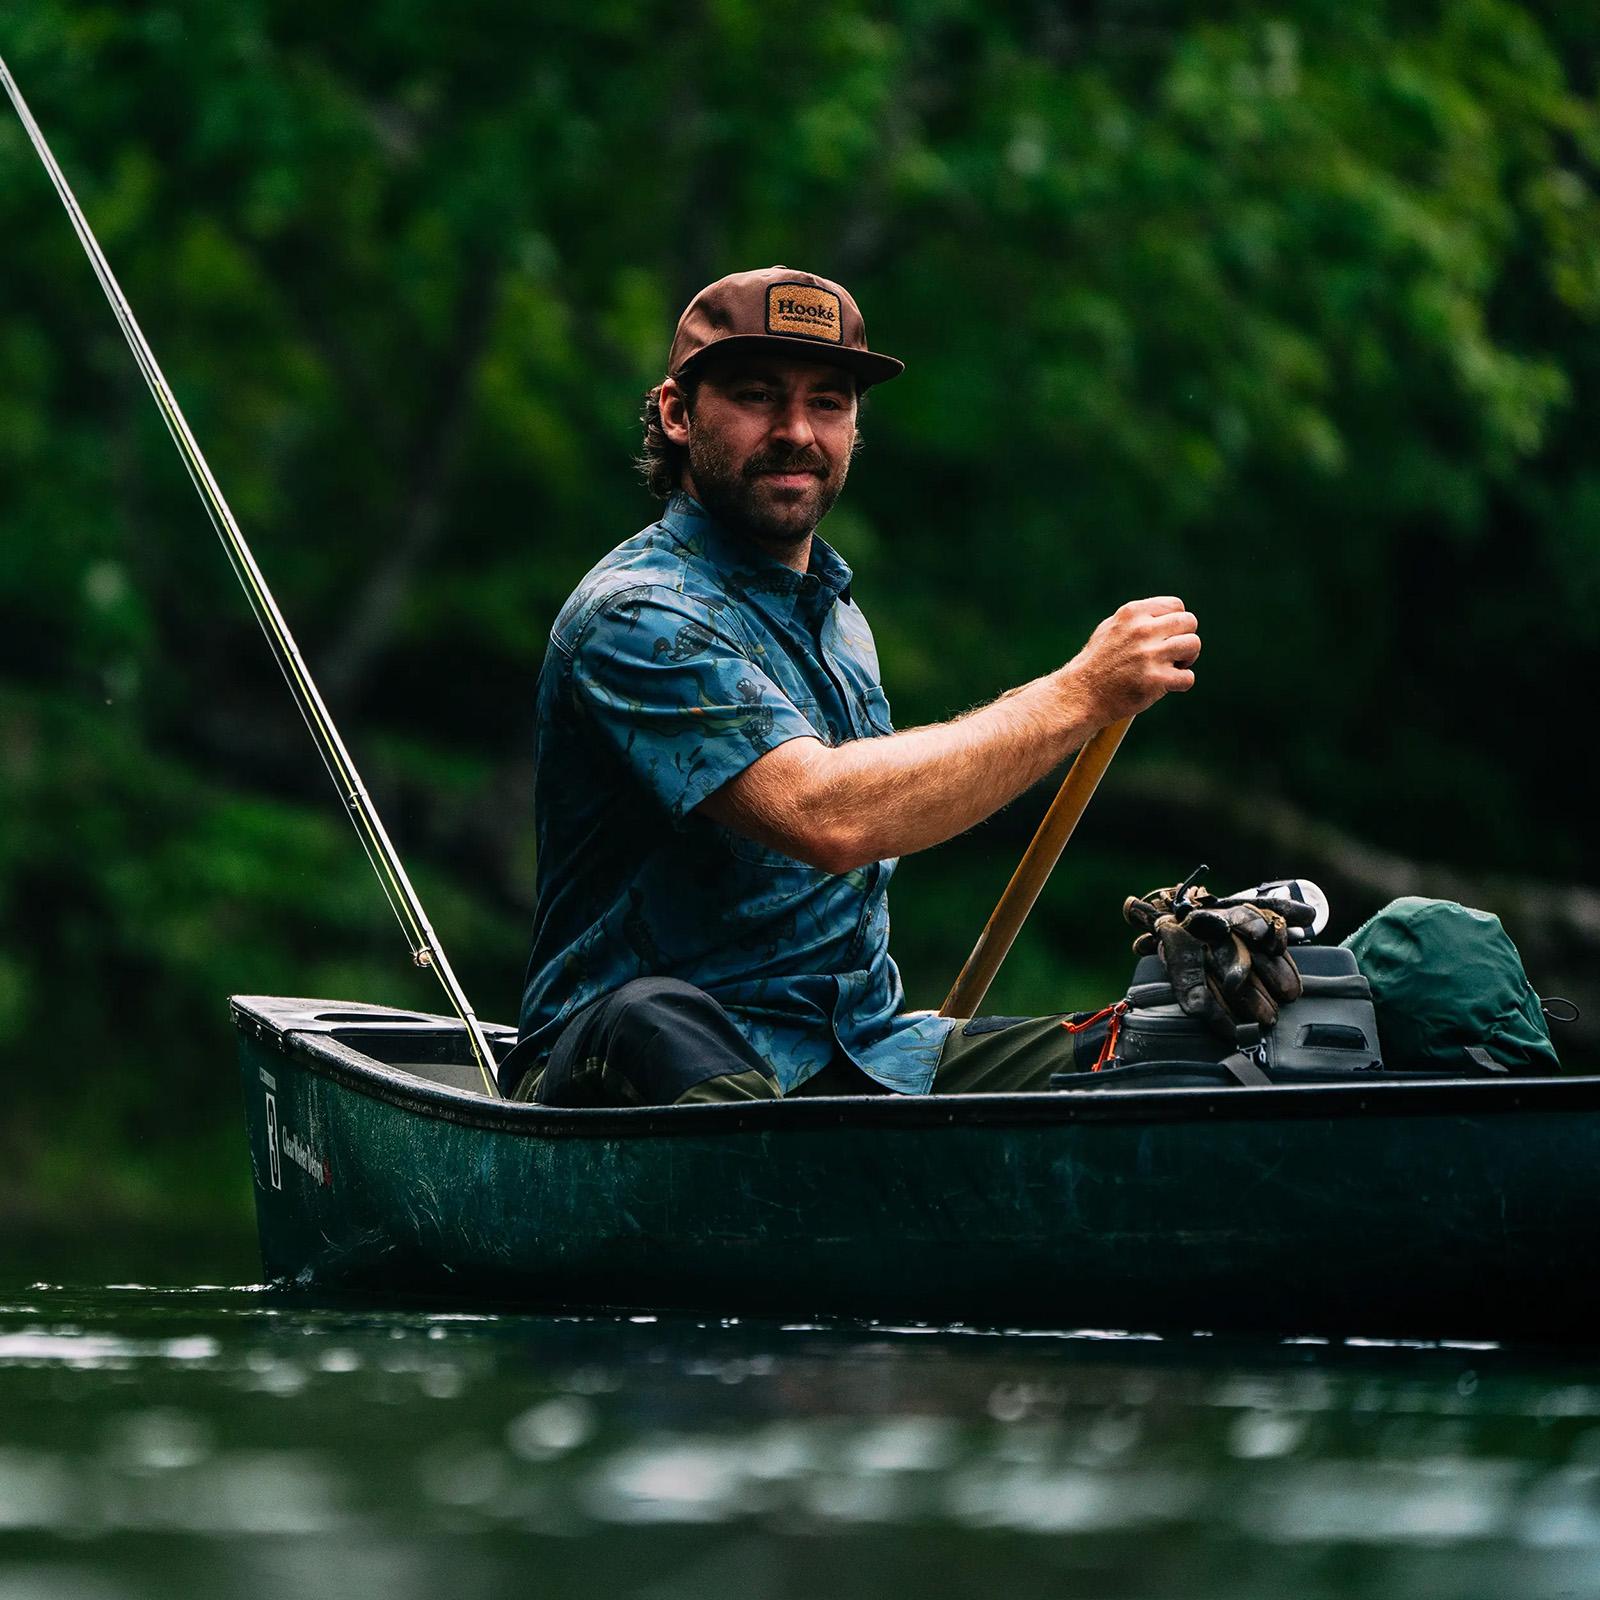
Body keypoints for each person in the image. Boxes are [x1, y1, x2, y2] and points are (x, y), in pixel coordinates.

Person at [507, 265, 1201, 1105]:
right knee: (656, 1021)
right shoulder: (637, 616)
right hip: (633, 1072)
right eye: (759, 396)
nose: (797, 430)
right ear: (677, 413)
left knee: (1180, 1047)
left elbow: (887, 804)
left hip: (870, 1056)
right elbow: (828, 816)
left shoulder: (838, 621)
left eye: (828, 403)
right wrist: (1077, 694)